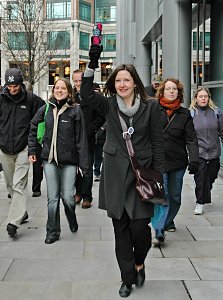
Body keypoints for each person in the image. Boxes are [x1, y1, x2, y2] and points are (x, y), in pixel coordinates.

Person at [80, 44, 165, 297]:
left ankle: (139, 261)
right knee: (120, 230)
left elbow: (158, 141)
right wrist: (92, 63)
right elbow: (85, 93)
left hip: (142, 174)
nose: (122, 84)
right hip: (115, 174)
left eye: (127, 80)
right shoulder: (108, 106)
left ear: (135, 83)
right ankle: (127, 278)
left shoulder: (150, 107)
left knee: (140, 229)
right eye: (118, 80)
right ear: (114, 84)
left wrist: (158, 174)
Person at [28, 78, 89, 244]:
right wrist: (32, 150)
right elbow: (33, 127)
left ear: (69, 92)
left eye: (63, 88)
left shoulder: (75, 111)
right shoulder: (46, 108)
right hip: (49, 160)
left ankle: (71, 216)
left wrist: (84, 165)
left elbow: (81, 139)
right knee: (52, 198)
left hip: (69, 161)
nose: (59, 90)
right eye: (57, 88)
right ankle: (52, 232)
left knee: (68, 196)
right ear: (53, 90)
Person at [151, 78, 199, 246]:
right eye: (168, 89)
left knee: (175, 197)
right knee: (162, 196)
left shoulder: (184, 113)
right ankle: (159, 230)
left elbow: (191, 138)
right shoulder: (154, 109)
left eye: (174, 89)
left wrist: (194, 159)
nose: (171, 91)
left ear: (179, 93)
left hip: (178, 162)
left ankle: (165, 221)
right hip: (158, 162)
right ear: (162, 92)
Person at [0, 68, 43, 237]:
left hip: (24, 147)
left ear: (21, 84)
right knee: (11, 185)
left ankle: (13, 222)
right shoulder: (1, 99)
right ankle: (22, 212)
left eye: (15, 86)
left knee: (19, 184)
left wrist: (37, 138)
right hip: (4, 148)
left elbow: (46, 112)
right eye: (9, 86)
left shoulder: (31, 99)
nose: (12, 89)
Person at [72, 69, 105, 208]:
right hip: (71, 138)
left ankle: (87, 196)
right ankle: (78, 192)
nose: (78, 83)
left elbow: (101, 116)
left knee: (87, 168)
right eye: (76, 81)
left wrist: (91, 129)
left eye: (81, 80)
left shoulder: (92, 97)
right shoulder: (70, 96)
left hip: (88, 138)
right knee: (73, 167)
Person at [189, 87, 223, 215]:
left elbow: (222, 131)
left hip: (214, 151)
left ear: (209, 98)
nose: (203, 98)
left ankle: (205, 190)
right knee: (201, 178)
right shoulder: (191, 113)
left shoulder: (216, 112)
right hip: (199, 152)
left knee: (212, 176)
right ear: (196, 98)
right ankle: (200, 203)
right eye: (200, 96)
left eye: (205, 96)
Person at [24, 81, 45, 197]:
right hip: (33, 135)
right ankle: (35, 188)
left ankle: (35, 188)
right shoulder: (39, 101)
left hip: (34, 135)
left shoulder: (38, 101)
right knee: (35, 163)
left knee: (36, 163)